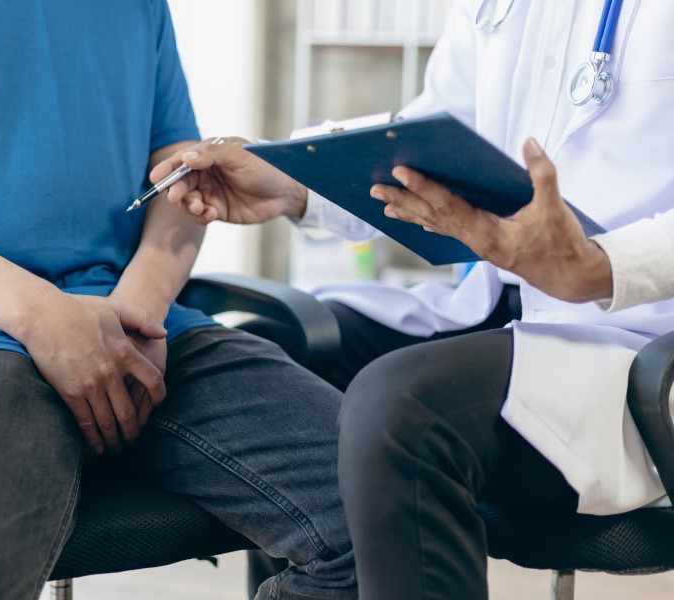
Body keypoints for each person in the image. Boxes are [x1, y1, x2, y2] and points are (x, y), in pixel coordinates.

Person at [151, 1, 674, 597]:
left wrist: (601, 269)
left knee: (403, 409)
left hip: (643, 340)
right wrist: (294, 181)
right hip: (504, 301)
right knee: (262, 368)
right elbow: (440, 148)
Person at [0, 2, 359, 599]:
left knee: (393, 508)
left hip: (145, 331)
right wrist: (44, 316)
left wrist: (141, 310)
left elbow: (182, 181)